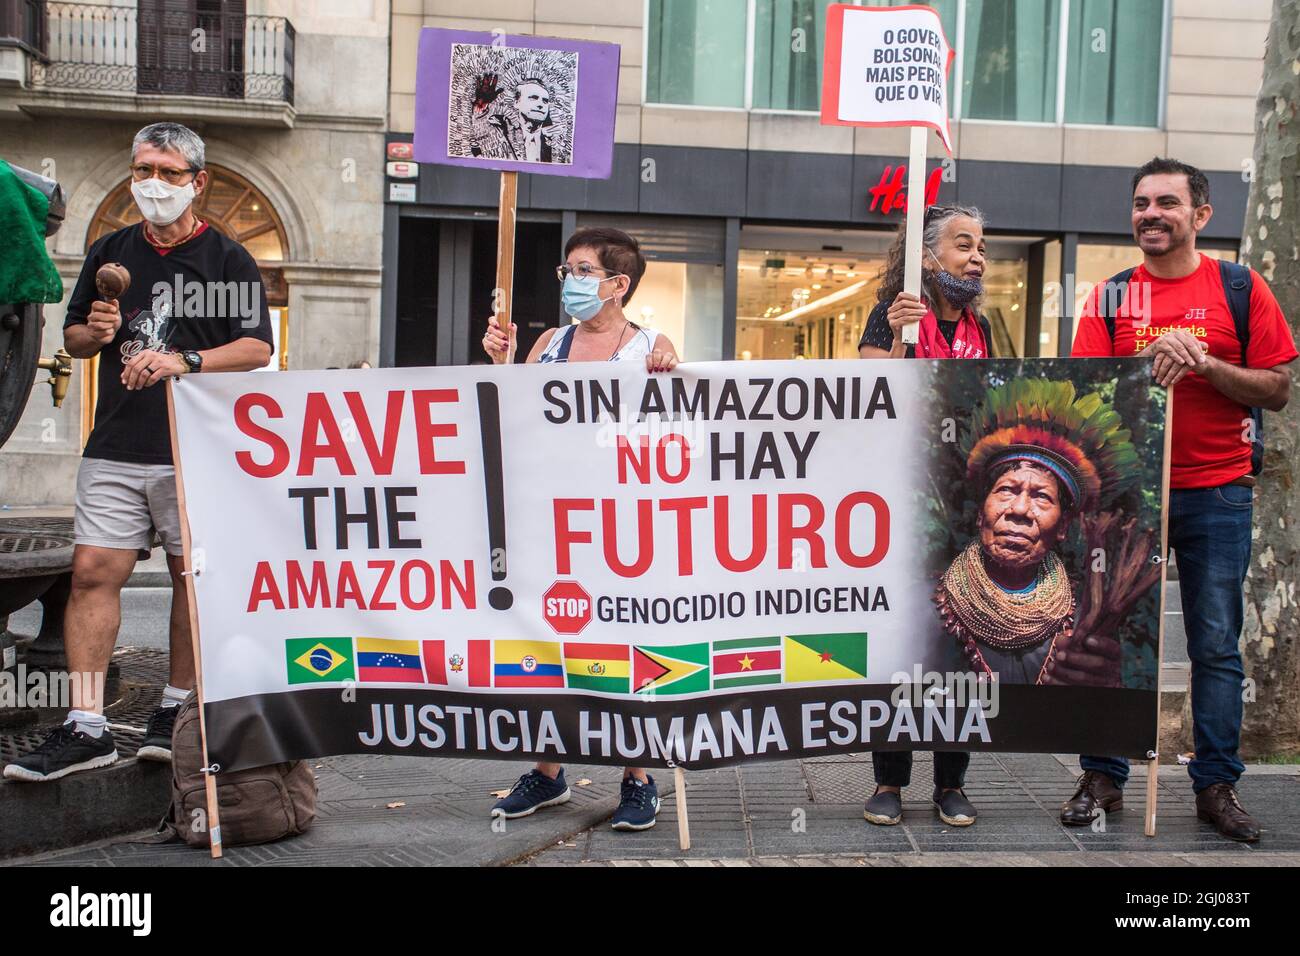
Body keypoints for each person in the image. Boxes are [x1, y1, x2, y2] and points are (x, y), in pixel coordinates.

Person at [3, 122, 274, 783]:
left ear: (197, 183)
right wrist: (93, 333)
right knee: (93, 573)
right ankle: (87, 725)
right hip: (116, 443)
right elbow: (74, 337)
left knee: (190, 579)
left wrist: (182, 359)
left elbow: (257, 349)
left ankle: (176, 711)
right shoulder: (110, 250)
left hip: (196, 449)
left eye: (168, 172)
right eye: (142, 169)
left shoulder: (228, 260)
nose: (151, 182)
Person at [1060, 157, 1297, 842]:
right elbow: (1086, 397)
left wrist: (1206, 362)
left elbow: (1277, 388)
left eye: (1167, 202)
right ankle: (1102, 775)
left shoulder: (1240, 287)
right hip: (1129, 500)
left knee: (1217, 646)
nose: (1150, 214)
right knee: (1104, 635)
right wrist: (1143, 369)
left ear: (1201, 215)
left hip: (1219, 494)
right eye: (1140, 203)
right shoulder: (1108, 299)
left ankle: (1216, 788)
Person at [481, 226, 678, 831]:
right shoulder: (548, 343)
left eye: (584, 271)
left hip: (624, 525)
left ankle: (639, 779)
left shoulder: (649, 345)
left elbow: (673, 434)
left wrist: (670, 378)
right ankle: (547, 772)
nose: (570, 280)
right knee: (551, 644)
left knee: (627, 644)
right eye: (568, 270)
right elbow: (514, 417)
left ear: (618, 285)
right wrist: (503, 365)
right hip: (553, 520)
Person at [857, 203, 992, 827]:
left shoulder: (979, 328)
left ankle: (951, 781)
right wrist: (898, 340)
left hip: (967, 511)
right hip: (903, 506)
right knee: (903, 640)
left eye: (981, 246)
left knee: (963, 642)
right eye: (963, 244)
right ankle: (889, 781)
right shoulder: (890, 320)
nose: (977, 256)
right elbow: (868, 399)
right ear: (927, 256)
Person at [940, 378, 1142, 686]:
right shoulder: (924, 608)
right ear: (981, 515)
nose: (1020, 509)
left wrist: (1105, 687)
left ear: (1062, 527)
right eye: (1007, 489)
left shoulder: (1087, 617)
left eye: (1041, 497)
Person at [471, 75, 557, 163]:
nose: (540, 104)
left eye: (545, 101)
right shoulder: (502, 128)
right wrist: (481, 107)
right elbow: (480, 131)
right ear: (516, 102)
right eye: (533, 98)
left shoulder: (555, 142)